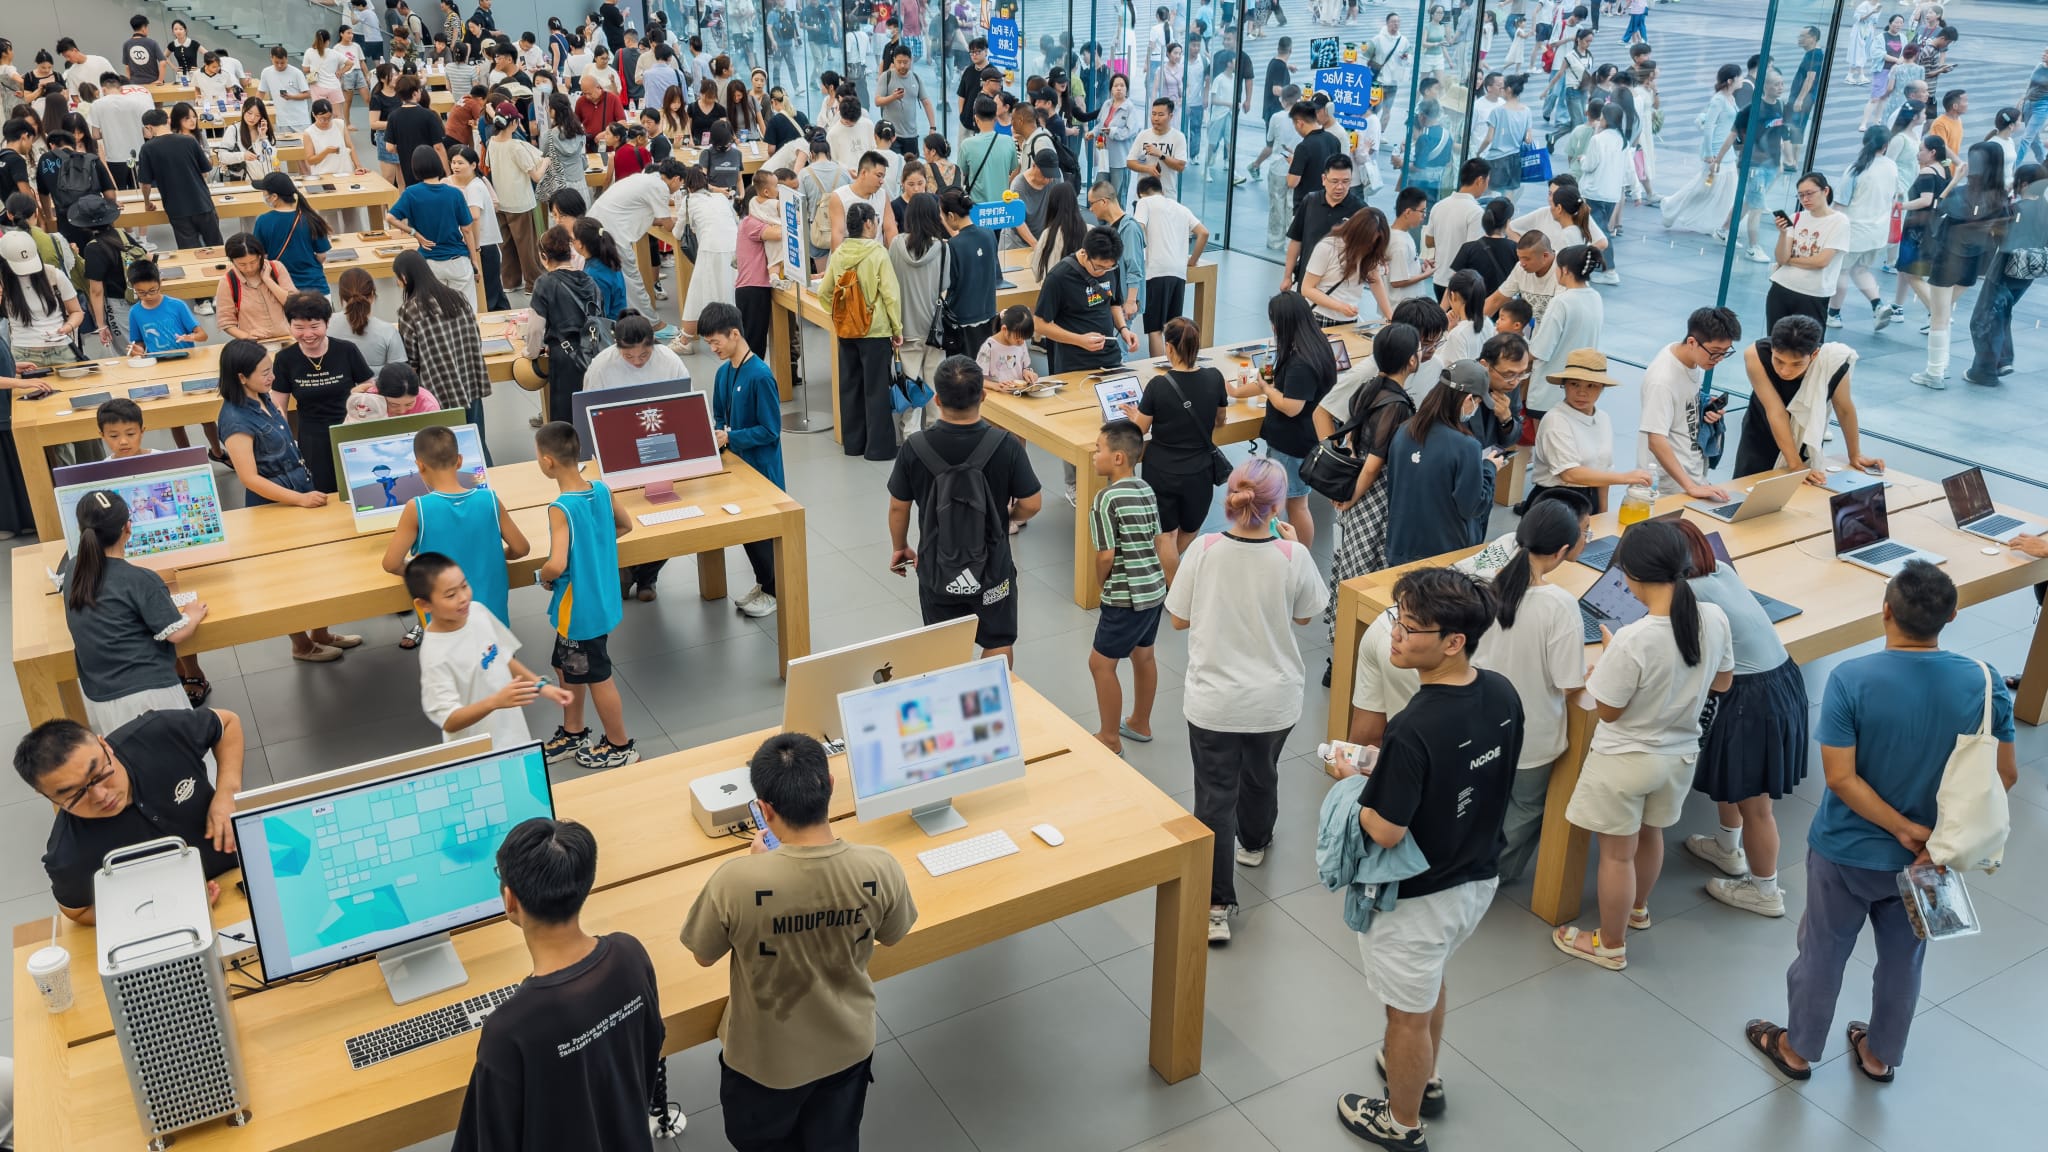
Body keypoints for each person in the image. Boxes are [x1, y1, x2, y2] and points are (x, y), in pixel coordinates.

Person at [1744, 561, 2016, 1085]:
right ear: (1952, 616)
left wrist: (1899, 827)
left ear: (1885, 611)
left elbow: (1841, 779)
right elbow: (2003, 775)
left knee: (1823, 950)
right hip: (1928, 860)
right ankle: (1878, 1055)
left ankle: (1797, 1050)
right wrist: (1932, 839)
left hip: (1845, 851)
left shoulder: (1852, 679)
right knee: (1902, 960)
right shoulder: (1986, 682)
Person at [1329, 566, 1519, 1150]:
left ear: (1452, 641)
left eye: (1409, 628)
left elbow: (1384, 830)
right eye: (1396, 620)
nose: (1394, 635)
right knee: (1429, 982)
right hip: (1477, 876)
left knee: (1404, 1017)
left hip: (1420, 897)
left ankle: (1402, 1124)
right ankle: (1425, 1077)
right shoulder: (1502, 694)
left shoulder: (1413, 729)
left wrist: (1350, 784)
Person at [681, 732, 917, 1151]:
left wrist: (763, 870)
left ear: (764, 809)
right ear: (829, 785)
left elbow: (703, 955)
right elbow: (895, 934)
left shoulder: (736, 881)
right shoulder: (880, 867)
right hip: (848, 1048)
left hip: (765, 1064)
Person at [1555, 521, 1735, 971]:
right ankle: (1637, 909)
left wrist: (1607, 663)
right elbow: (1723, 682)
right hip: (1678, 758)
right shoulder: (1712, 617)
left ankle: (1610, 944)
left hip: (1625, 761)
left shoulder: (1635, 638)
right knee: (1651, 835)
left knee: (1617, 854)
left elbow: (1609, 711)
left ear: (1631, 575)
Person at [1167, 456, 1329, 944]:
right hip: (1274, 701)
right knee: (1262, 773)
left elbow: (1177, 620)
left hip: (1214, 702)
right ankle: (1255, 841)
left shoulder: (1205, 550)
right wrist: (1294, 546)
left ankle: (1216, 905)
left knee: (1214, 798)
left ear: (1230, 498)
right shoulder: (1292, 555)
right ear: (1278, 505)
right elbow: (1305, 617)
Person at [451, 817, 667, 1151]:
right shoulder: (630, 955)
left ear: (510, 901)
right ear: (586, 884)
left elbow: (488, 1140)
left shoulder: (509, 1029)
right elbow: (649, 1052)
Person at [1664, 521, 1810, 919]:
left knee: (1756, 804)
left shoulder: (1687, 596)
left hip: (1752, 698)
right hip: (1778, 682)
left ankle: (1766, 891)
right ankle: (1727, 848)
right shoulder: (1722, 571)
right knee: (1735, 773)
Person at [16, 710, 246, 923]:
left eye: (99, 774)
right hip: (188, 922)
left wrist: (227, 793)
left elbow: (226, 723)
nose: (100, 796)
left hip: (247, 865)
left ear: (104, 744)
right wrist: (164, 906)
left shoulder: (158, 733)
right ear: (47, 796)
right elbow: (77, 911)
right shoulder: (68, 853)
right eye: (75, 795)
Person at [886, 356, 1042, 663]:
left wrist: (900, 546)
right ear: (983, 396)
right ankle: (992, 704)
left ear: (937, 399)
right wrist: (1006, 519)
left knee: (944, 648)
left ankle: (952, 704)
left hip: (937, 567)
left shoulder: (914, 449)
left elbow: (897, 508)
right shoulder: (1006, 445)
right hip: (992, 569)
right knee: (997, 639)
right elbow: (1032, 503)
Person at [1473, 493, 1592, 883]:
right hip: (1533, 737)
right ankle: (1495, 873)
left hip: (1481, 723)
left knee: (1481, 799)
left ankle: (1465, 861)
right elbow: (1569, 683)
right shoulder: (1559, 606)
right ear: (1560, 552)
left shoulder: (1485, 585)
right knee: (1525, 808)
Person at [61, 488, 210, 733]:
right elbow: (176, 634)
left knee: (131, 760)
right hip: (150, 693)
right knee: (182, 759)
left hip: (101, 694)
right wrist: (192, 614)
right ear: (127, 528)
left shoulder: (73, 567)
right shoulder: (141, 579)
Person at [534, 420, 637, 770]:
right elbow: (625, 525)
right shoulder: (602, 489)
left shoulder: (560, 508)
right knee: (563, 665)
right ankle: (574, 731)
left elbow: (556, 562)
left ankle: (620, 744)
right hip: (602, 599)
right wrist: (596, 549)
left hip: (579, 610)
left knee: (598, 676)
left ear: (547, 462)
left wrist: (542, 576)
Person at [382, 418, 525, 647]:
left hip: (448, 627)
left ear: (420, 465)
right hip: (494, 624)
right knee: (499, 674)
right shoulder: (488, 499)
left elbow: (391, 563)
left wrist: (421, 572)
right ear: (459, 461)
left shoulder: (416, 508)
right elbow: (521, 548)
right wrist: (496, 555)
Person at [410, 550, 564, 750]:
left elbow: (503, 657)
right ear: (424, 604)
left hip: (516, 738)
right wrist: (495, 702)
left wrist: (541, 686)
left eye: (464, 586)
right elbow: (449, 720)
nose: (463, 597)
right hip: (477, 753)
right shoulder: (435, 656)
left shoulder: (477, 611)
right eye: (450, 595)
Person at [1088, 420, 1173, 755]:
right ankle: (1140, 721)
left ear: (1119, 457)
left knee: (1100, 664)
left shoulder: (1105, 499)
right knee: (1144, 654)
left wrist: (1101, 584)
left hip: (1124, 596)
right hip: (1153, 590)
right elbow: (1159, 539)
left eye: (1099, 449)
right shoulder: (1146, 488)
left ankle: (1109, 737)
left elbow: (1105, 555)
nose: (1095, 456)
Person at [1227, 293, 1335, 547]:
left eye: (1274, 320)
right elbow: (1275, 382)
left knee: (1297, 504)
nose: (1272, 326)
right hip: (1300, 438)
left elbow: (1290, 407)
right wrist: (1236, 392)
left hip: (1291, 442)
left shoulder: (1300, 363)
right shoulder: (1314, 346)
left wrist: (1266, 390)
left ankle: (1300, 557)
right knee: (1296, 502)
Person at [1119, 316, 1225, 555]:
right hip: (1200, 470)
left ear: (1168, 347)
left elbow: (1141, 430)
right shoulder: (1215, 378)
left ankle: (1168, 577)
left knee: (1164, 533)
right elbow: (1220, 419)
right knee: (1190, 527)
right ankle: (1172, 573)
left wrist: (1136, 414)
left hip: (1162, 470)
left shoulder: (1159, 385)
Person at [1733, 315, 1883, 482]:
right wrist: (1795, 465)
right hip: (1762, 433)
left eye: (1796, 364)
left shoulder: (1832, 363)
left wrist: (1855, 454)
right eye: (1778, 360)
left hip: (1805, 440)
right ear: (1772, 349)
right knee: (1748, 490)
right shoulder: (1755, 354)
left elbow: (1844, 409)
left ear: (1814, 354)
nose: (1785, 371)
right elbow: (1775, 412)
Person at [1385, 367, 1503, 567]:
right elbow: (1472, 505)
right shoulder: (1467, 446)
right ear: (1468, 400)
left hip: (1400, 545)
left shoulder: (1404, 430)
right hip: (1445, 553)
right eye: (1479, 402)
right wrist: (1489, 468)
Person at [1915, 140, 2009, 389]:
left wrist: (1954, 181)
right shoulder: (2000, 198)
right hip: (1974, 263)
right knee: (1944, 314)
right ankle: (1939, 366)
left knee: (1939, 317)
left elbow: (1936, 212)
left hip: (1948, 259)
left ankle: (1934, 372)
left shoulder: (1961, 193)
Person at [818, 201, 903, 463]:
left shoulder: (840, 252)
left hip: (847, 330)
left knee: (850, 386)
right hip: (875, 330)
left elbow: (825, 292)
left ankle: (853, 444)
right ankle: (878, 448)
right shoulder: (878, 253)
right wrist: (896, 328)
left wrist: (839, 317)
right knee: (876, 389)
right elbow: (890, 295)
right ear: (868, 223)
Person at [271, 291, 375, 496]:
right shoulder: (285, 359)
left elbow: (369, 387)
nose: (307, 334)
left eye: (314, 326)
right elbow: (278, 406)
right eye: (299, 327)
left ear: (327, 323)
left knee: (360, 487)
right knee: (322, 492)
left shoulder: (346, 350)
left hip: (349, 428)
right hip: (312, 437)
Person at [1525, 349, 1652, 512]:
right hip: (1555, 503)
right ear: (1564, 385)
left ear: (1602, 388)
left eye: (1591, 385)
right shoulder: (1556, 420)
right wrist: (1625, 478)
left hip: (1590, 500)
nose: (1582, 392)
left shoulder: (1603, 418)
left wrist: (1603, 513)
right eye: (1574, 384)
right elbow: (1569, 474)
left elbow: (1604, 470)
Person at [1640, 307, 1738, 503]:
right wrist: (1691, 487)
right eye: (1715, 353)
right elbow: (1655, 440)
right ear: (1692, 342)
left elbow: (1681, 409)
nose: (1718, 360)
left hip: (1692, 479)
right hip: (1666, 489)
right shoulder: (1662, 380)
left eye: (1725, 353)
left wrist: (1704, 407)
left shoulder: (1691, 360)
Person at [1969, 162, 2048, 384]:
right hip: (2029, 272)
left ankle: (1984, 371)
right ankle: (2003, 360)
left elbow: (1997, 235)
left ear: (2023, 183)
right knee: (2003, 314)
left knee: (1984, 318)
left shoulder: (2017, 210)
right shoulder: (2045, 207)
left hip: (2005, 269)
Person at [519, 226, 604, 425]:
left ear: (543, 256)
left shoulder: (545, 283)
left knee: (566, 418)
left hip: (565, 357)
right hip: (594, 354)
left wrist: (530, 352)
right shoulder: (589, 280)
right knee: (592, 416)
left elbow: (535, 328)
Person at [587, 159, 684, 316]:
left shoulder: (647, 178)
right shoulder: (660, 188)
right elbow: (669, 226)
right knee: (632, 278)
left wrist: (665, 220)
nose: (679, 188)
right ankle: (652, 322)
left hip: (598, 224)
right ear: (676, 179)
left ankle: (626, 315)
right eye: (681, 184)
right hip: (613, 233)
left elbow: (646, 215)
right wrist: (682, 221)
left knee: (616, 276)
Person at [388, 145, 479, 308]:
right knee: (466, 309)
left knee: (436, 311)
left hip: (428, 263)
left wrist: (415, 233)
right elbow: (467, 229)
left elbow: (390, 217)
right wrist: (474, 261)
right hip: (457, 260)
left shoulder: (411, 193)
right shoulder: (454, 193)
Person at [1522, 242, 1603, 425]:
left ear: (1564, 270)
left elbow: (1540, 350)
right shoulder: (1595, 298)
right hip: (1582, 384)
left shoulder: (1562, 302)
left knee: (1546, 448)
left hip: (1550, 390)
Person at [1830, 128, 1902, 332]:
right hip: (1878, 232)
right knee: (1860, 270)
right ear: (1885, 145)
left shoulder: (1856, 169)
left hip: (1854, 232)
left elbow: (1840, 204)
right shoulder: (1891, 166)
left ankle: (1834, 314)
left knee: (1841, 271)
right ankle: (1877, 305)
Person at [1765, 172, 1849, 330]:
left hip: (1813, 294)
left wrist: (1790, 260)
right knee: (1775, 343)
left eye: (1809, 194)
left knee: (1807, 348)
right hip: (1781, 288)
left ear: (1825, 191)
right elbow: (1781, 258)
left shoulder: (1839, 222)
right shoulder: (1796, 217)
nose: (1805, 199)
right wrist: (1783, 234)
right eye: (1801, 195)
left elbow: (1821, 262)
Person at [133, 103, 218, 248]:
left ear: (148, 127)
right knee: (217, 247)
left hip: (177, 208)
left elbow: (145, 184)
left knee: (190, 252)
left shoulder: (147, 149)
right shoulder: (189, 140)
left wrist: (147, 203)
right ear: (168, 121)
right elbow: (205, 170)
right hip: (203, 203)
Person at [1282, 152, 1364, 291]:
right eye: (1334, 181)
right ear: (1324, 179)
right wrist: (1287, 276)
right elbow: (1296, 241)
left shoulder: (1360, 210)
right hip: (1307, 282)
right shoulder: (1310, 201)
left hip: (1338, 289)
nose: (1340, 187)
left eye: (1346, 181)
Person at [483, 111, 545, 295]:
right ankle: (533, 283)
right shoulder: (516, 147)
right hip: (520, 201)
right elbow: (535, 175)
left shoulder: (491, 142)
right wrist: (546, 163)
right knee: (527, 245)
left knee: (507, 244)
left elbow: (489, 165)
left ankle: (510, 281)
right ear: (513, 123)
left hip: (501, 200)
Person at [251, 172, 333, 293]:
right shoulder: (310, 217)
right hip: (316, 287)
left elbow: (262, 257)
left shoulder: (263, 221)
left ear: (274, 196)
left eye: (264, 192)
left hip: (281, 289)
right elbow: (322, 255)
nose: (263, 195)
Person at [583, 309, 689, 393]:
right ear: (617, 346)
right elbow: (590, 406)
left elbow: (687, 398)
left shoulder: (669, 360)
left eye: (644, 355)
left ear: (653, 344)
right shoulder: (601, 366)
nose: (637, 362)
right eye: (628, 356)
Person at [120, 261, 205, 359]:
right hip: (156, 362)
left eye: (152, 290)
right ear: (133, 288)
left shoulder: (177, 305)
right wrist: (139, 350)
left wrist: (190, 337)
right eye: (141, 292)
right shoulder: (134, 312)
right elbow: (139, 342)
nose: (148, 296)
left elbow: (202, 335)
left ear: (160, 282)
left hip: (184, 359)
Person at [572, 216, 628, 321]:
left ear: (580, 244)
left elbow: (600, 313)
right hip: (619, 321)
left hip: (609, 329)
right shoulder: (607, 260)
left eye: (573, 239)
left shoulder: (594, 275)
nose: (572, 242)